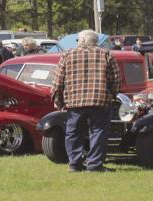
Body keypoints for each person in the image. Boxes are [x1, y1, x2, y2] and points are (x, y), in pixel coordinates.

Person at [51, 29, 123, 173]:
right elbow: (116, 80)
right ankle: (95, 165)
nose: (77, 43)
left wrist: (58, 100)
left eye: (77, 40)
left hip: (74, 101)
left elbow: (58, 82)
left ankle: (74, 164)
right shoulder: (106, 54)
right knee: (98, 132)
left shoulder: (67, 55)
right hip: (99, 100)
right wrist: (111, 95)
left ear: (83, 40)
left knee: (73, 133)